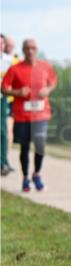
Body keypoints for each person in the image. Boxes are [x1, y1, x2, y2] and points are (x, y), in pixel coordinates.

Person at [1, 38, 58, 192]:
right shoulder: (15, 69)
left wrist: (47, 90)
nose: (30, 51)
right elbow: (4, 89)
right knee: (24, 147)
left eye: (33, 48)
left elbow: (53, 82)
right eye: (27, 48)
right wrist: (17, 92)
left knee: (40, 144)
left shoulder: (45, 67)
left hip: (41, 114)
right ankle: (25, 178)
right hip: (22, 115)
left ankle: (37, 174)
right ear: (23, 50)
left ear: (37, 49)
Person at [0, 34, 17, 176]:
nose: (1, 46)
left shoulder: (10, 61)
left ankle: (3, 162)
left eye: (2, 44)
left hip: (4, 99)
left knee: (4, 131)